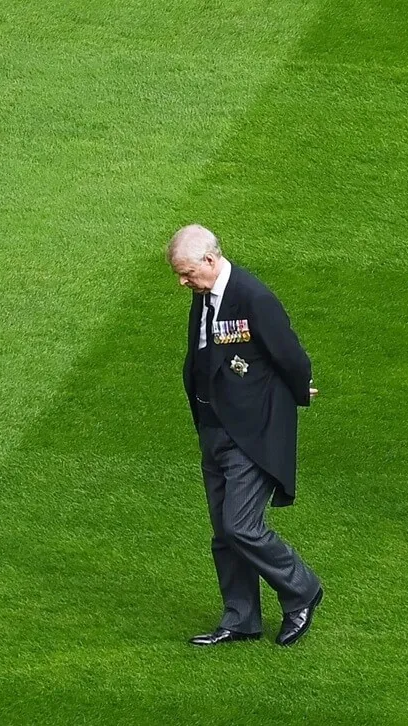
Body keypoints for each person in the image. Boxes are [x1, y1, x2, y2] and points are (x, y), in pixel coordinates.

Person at [167, 225, 323, 647]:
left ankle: (302, 590)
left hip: (250, 433)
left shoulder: (254, 297)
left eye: (186, 273)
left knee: (241, 525)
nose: (182, 281)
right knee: (224, 532)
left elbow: (291, 356)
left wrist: (296, 392)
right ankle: (241, 619)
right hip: (213, 429)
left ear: (210, 261)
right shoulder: (204, 297)